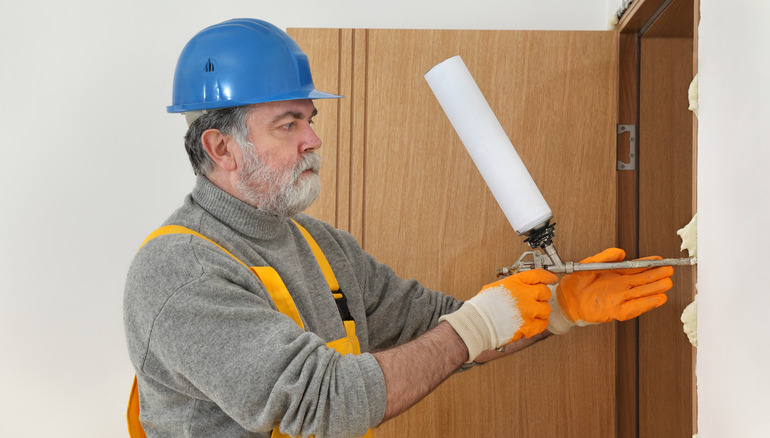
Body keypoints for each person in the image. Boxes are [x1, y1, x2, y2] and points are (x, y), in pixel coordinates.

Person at [123, 18, 674, 438]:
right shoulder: (181, 271)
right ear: (222, 148)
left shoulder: (323, 247)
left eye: (308, 121)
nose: (312, 140)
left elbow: (440, 328)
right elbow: (323, 402)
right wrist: (475, 326)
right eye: (287, 124)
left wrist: (556, 309)